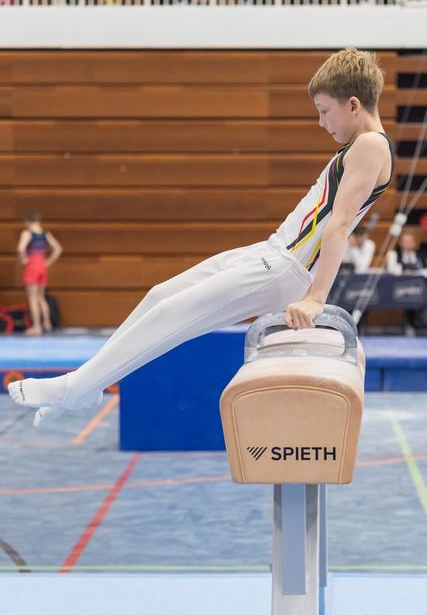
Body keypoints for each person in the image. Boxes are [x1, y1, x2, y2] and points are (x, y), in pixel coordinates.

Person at [8, 46, 394, 426]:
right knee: (159, 295)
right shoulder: (360, 146)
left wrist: (315, 298)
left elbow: (340, 225)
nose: (322, 122)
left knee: (172, 315)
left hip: (285, 268)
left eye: (324, 111)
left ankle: (77, 387)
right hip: (272, 251)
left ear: (354, 105)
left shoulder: (370, 146)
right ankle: (90, 384)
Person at [17, 212, 63, 336]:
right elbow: (58, 249)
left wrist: (23, 259)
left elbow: (21, 248)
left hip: (32, 265)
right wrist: (48, 262)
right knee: (41, 297)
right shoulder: (45, 234)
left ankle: (36, 327)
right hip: (42, 265)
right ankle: (47, 324)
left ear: (27, 222)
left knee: (33, 299)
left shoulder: (27, 233)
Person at [386, 232, 426, 336]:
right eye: (406, 241)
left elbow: (422, 269)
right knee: (407, 298)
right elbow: (393, 270)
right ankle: (408, 324)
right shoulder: (394, 253)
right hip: (398, 287)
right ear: (401, 243)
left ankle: (419, 325)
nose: (408, 244)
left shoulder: (419, 254)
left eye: (410, 242)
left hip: (417, 287)